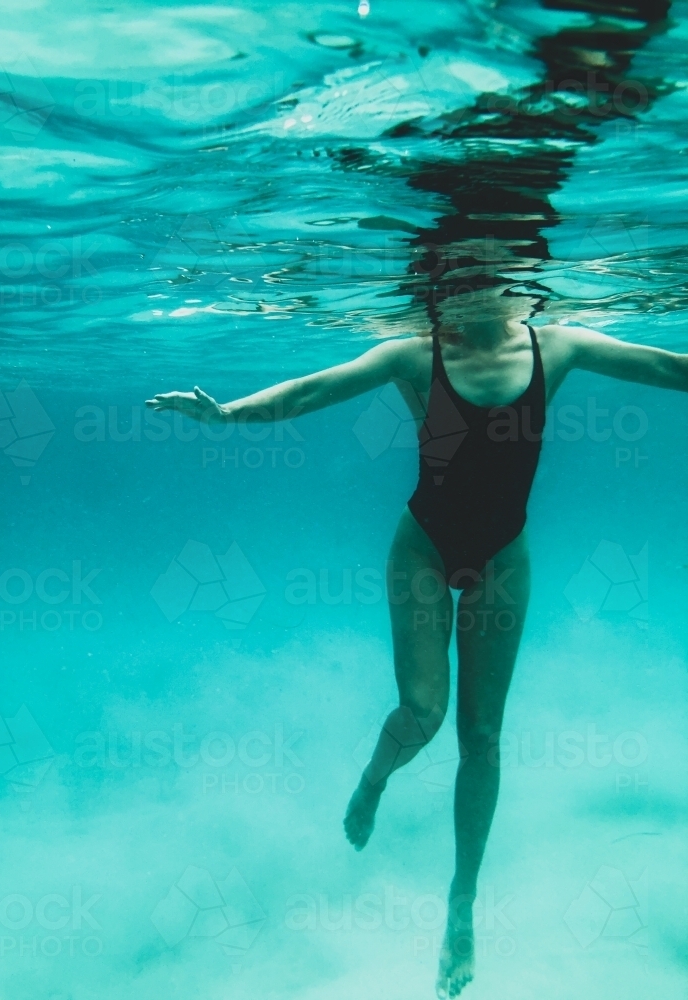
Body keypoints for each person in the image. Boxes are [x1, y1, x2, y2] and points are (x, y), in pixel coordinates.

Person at [146, 284, 688, 998]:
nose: (479, 282)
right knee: (424, 714)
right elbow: (313, 389)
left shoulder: (559, 346)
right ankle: (374, 780)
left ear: (519, 280)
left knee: (483, 736)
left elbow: (667, 367)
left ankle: (461, 903)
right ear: (444, 279)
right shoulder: (413, 353)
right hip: (424, 551)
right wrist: (227, 416)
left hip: (504, 557)